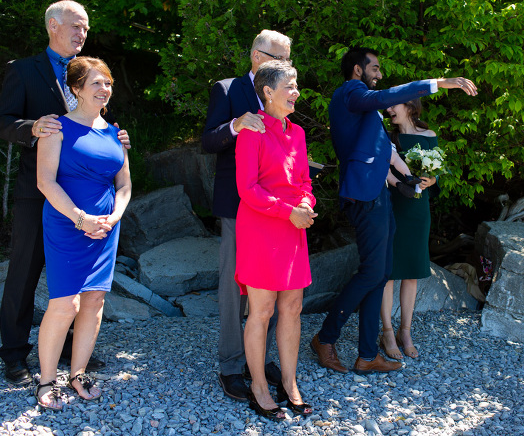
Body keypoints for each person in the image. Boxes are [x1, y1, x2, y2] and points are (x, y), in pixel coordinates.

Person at [311, 46, 477, 374]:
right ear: (358, 69)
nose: (380, 74)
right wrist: (439, 82)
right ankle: (325, 338)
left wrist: (409, 180)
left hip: (380, 196)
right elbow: (385, 97)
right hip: (363, 196)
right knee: (373, 272)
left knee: (382, 272)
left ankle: (366, 355)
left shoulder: (368, 111)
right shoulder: (351, 93)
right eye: (375, 68)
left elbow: (385, 149)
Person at [0, 0, 130, 384]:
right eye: (76, 27)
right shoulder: (23, 71)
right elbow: (1, 123)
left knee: (84, 281)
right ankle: (15, 355)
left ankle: (72, 352)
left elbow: (95, 124)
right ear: (53, 25)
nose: (81, 34)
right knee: (24, 270)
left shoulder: (88, 73)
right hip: (40, 191)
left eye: (85, 29)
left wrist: (116, 142)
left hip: (88, 198)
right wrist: (33, 127)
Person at [34, 57, 131, 410]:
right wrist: (80, 219)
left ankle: (78, 373)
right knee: (65, 303)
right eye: (96, 83)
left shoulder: (115, 132)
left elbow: (124, 184)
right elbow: (45, 181)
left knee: (94, 300)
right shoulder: (56, 128)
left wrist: (114, 217)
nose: (104, 89)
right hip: (66, 223)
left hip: (106, 227)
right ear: (76, 89)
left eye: (107, 83)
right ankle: (46, 380)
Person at [201, 30, 290, 400]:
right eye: (279, 58)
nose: (286, 65)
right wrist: (237, 125)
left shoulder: (285, 93)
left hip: (275, 207)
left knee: (271, 287)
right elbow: (207, 141)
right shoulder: (227, 89)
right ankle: (231, 365)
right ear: (256, 56)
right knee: (234, 290)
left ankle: (260, 359)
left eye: (289, 58)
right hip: (238, 206)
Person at [235, 61, 316, 420]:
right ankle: (258, 386)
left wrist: (305, 203)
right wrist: (290, 212)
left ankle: (289, 381)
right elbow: (247, 189)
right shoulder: (252, 128)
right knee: (262, 311)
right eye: (290, 86)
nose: (296, 92)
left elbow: (305, 182)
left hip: (291, 228)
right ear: (268, 92)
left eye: (296, 86)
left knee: (293, 309)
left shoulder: (297, 132)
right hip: (261, 228)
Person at [379, 99, 440, 360]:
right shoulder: (386, 136)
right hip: (393, 204)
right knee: (389, 273)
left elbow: (438, 173)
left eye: (394, 105)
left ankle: (406, 331)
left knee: (412, 272)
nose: (389, 110)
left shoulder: (429, 135)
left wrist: (433, 179)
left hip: (418, 208)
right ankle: (388, 332)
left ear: (410, 106)